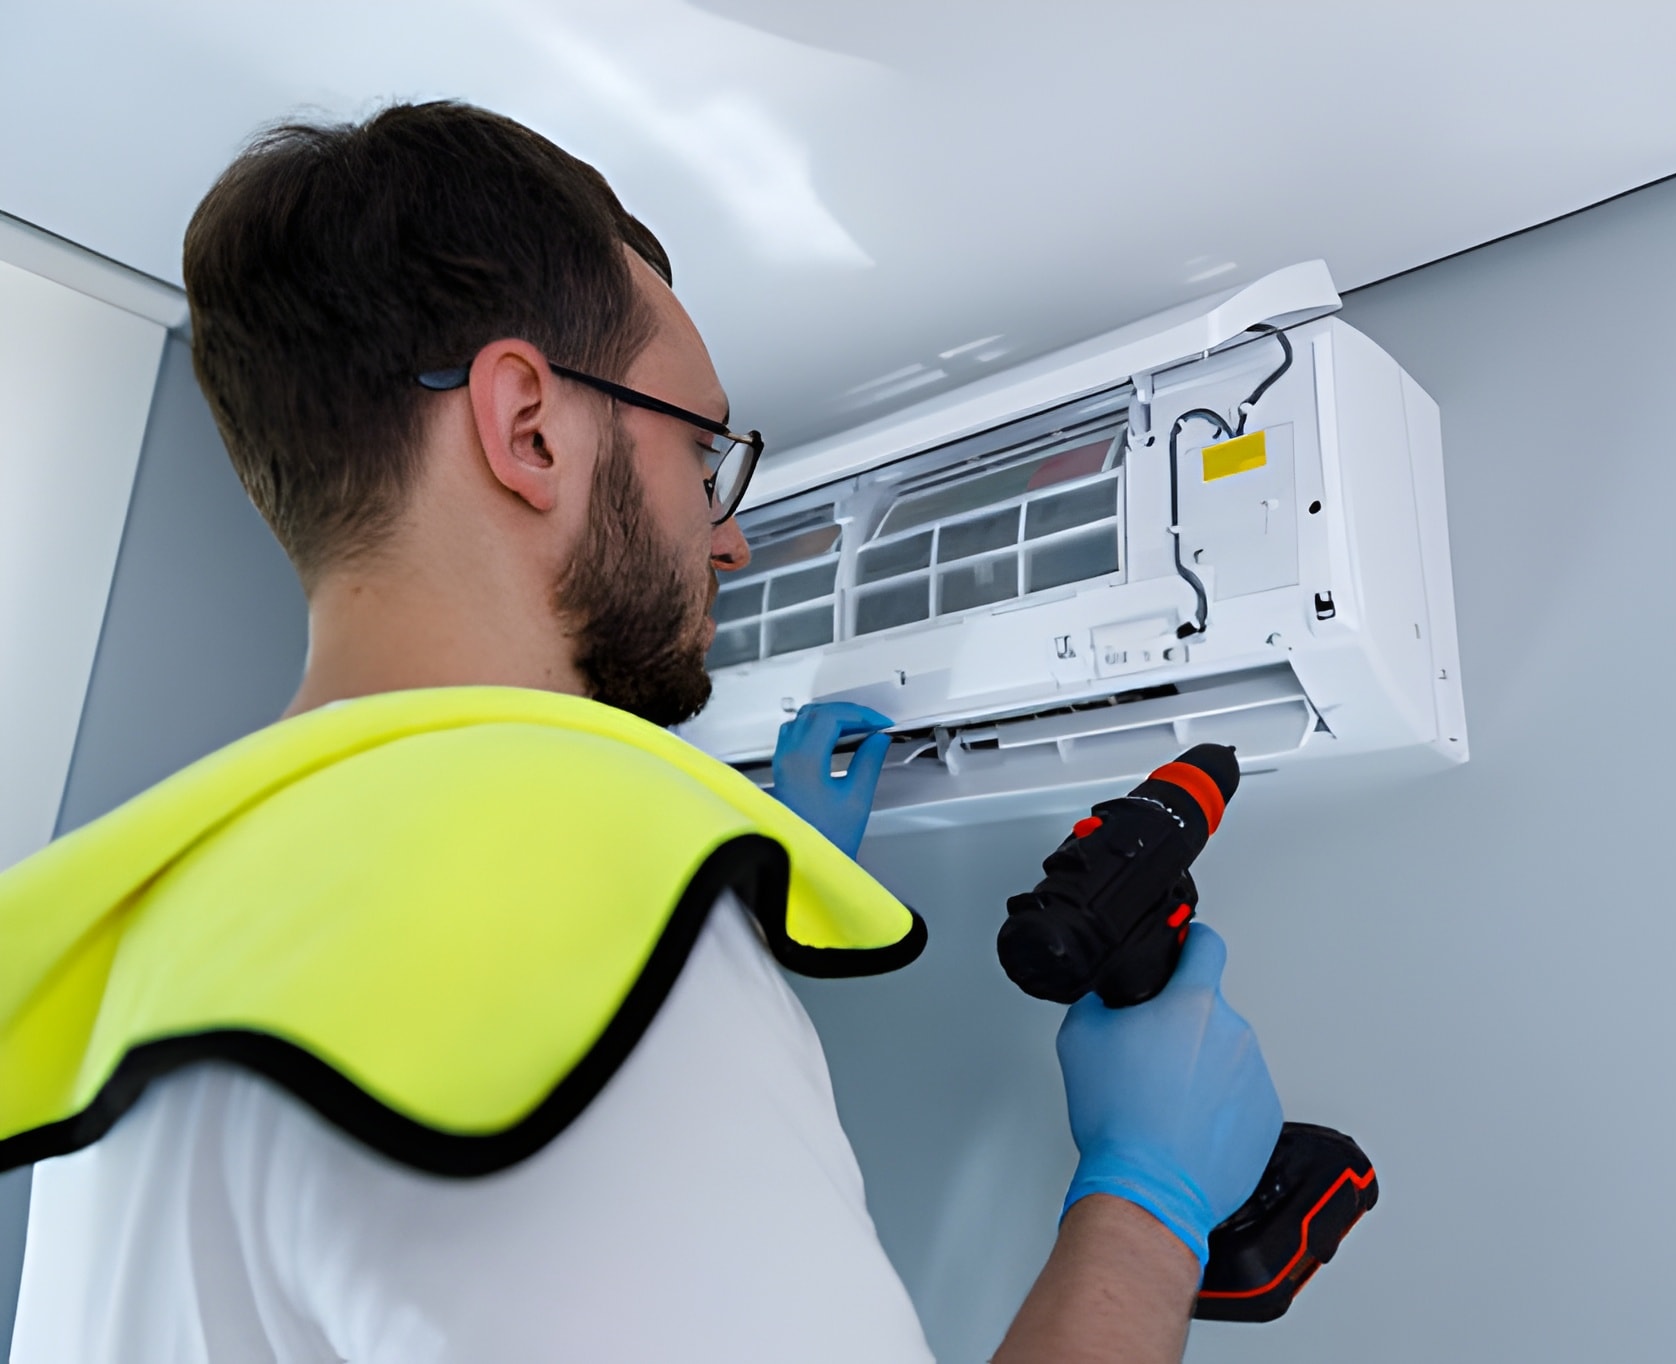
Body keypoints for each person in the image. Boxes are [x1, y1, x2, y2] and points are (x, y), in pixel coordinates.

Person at [0, 102, 1282, 1363]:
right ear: (528, 428)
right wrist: (1145, 1209)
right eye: (702, 452)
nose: (726, 534)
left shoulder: (150, 937)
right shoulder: (567, 927)